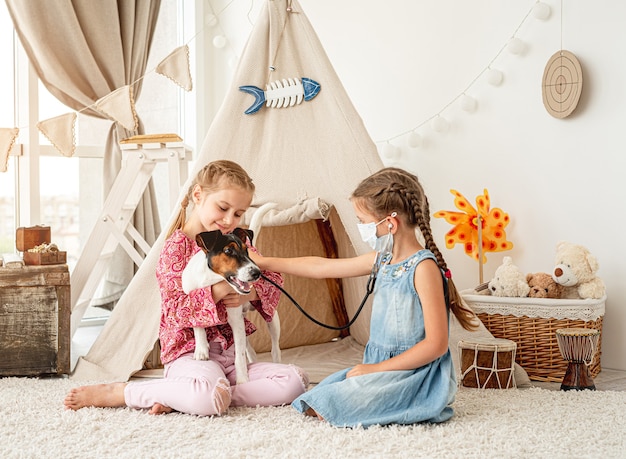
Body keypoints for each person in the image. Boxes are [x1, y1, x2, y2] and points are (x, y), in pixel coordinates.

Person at [64, 160, 308, 416]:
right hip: (189, 355)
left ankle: (185, 395)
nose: (229, 220)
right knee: (206, 397)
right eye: (223, 208)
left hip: (231, 357)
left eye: (238, 214)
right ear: (198, 195)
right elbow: (176, 310)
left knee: (295, 382)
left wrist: (249, 292)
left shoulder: (235, 242)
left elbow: (271, 281)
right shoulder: (176, 248)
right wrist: (219, 292)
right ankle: (124, 392)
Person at [252, 167, 478, 428]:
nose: (361, 228)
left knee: (332, 407)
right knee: (317, 399)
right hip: (380, 368)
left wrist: (375, 370)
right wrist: (265, 262)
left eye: (363, 221)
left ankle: (409, 402)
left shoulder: (423, 268)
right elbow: (320, 267)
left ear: (390, 224)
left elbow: (436, 345)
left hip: (415, 375)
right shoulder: (382, 259)